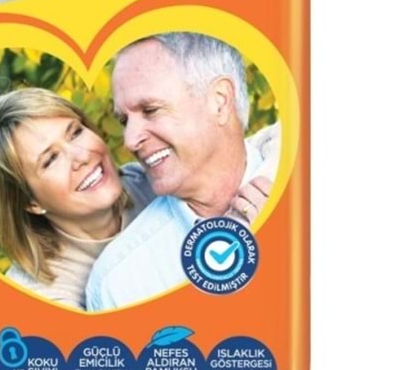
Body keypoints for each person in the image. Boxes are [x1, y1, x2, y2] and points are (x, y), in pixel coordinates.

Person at [84, 33, 279, 312]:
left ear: (220, 101)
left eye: (150, 110)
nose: (130, 140)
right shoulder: (120, 283)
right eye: (125, 120)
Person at [0, 88, 153, 309]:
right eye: (51, 159)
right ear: (30, 202)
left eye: (75, 133)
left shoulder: (156, 184)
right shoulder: (44, 300)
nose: (82, 156)